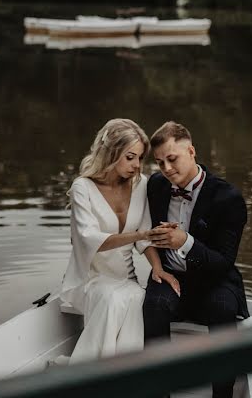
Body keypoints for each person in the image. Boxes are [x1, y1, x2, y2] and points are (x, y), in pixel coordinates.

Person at [59, 118, 179, 364]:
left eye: (140, 158)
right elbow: (90, 240)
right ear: (111, 153)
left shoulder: (140, 184)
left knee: (136, 297)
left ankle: (122, 378)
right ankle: (91, 379)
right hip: (92, 279)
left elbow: (145, 234)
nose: (137, 165)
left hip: (126, 279)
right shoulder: (83, 187)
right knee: (113, 300)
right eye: (130, 157)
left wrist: (157, 268)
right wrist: (141, 235)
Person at [143, 121, 249, 398]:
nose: (165, 169)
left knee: (222, 309)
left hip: (214, 279)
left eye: (172, 159)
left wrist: (186, 242)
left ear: (191, 151)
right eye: (159, 162)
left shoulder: (229, 198)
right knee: (153, 305)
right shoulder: (155, 186)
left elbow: (224, 262)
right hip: (170, 275)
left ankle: (222, 394)